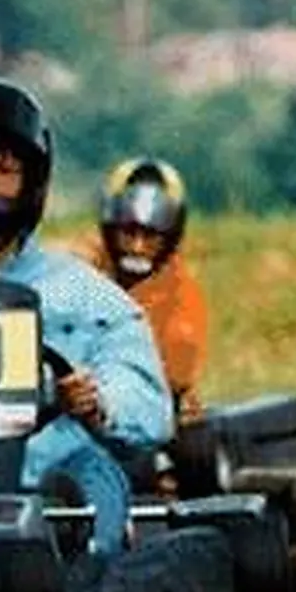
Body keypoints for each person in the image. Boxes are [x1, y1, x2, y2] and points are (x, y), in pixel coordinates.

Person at [0, 75, 174, 554]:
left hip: (49, 479)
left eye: (1, 169)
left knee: (93, 469)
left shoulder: (85, 295)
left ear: (31, 180)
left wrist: (97, 401)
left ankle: (80, 555)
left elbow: (150, 409)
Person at [87, 157, 210, 427]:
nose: (138, 248)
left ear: (170, 238)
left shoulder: (182, 296)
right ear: (110, 229)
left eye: (151, 236)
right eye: (129, 233)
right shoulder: (78, 271)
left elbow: (175, 378)